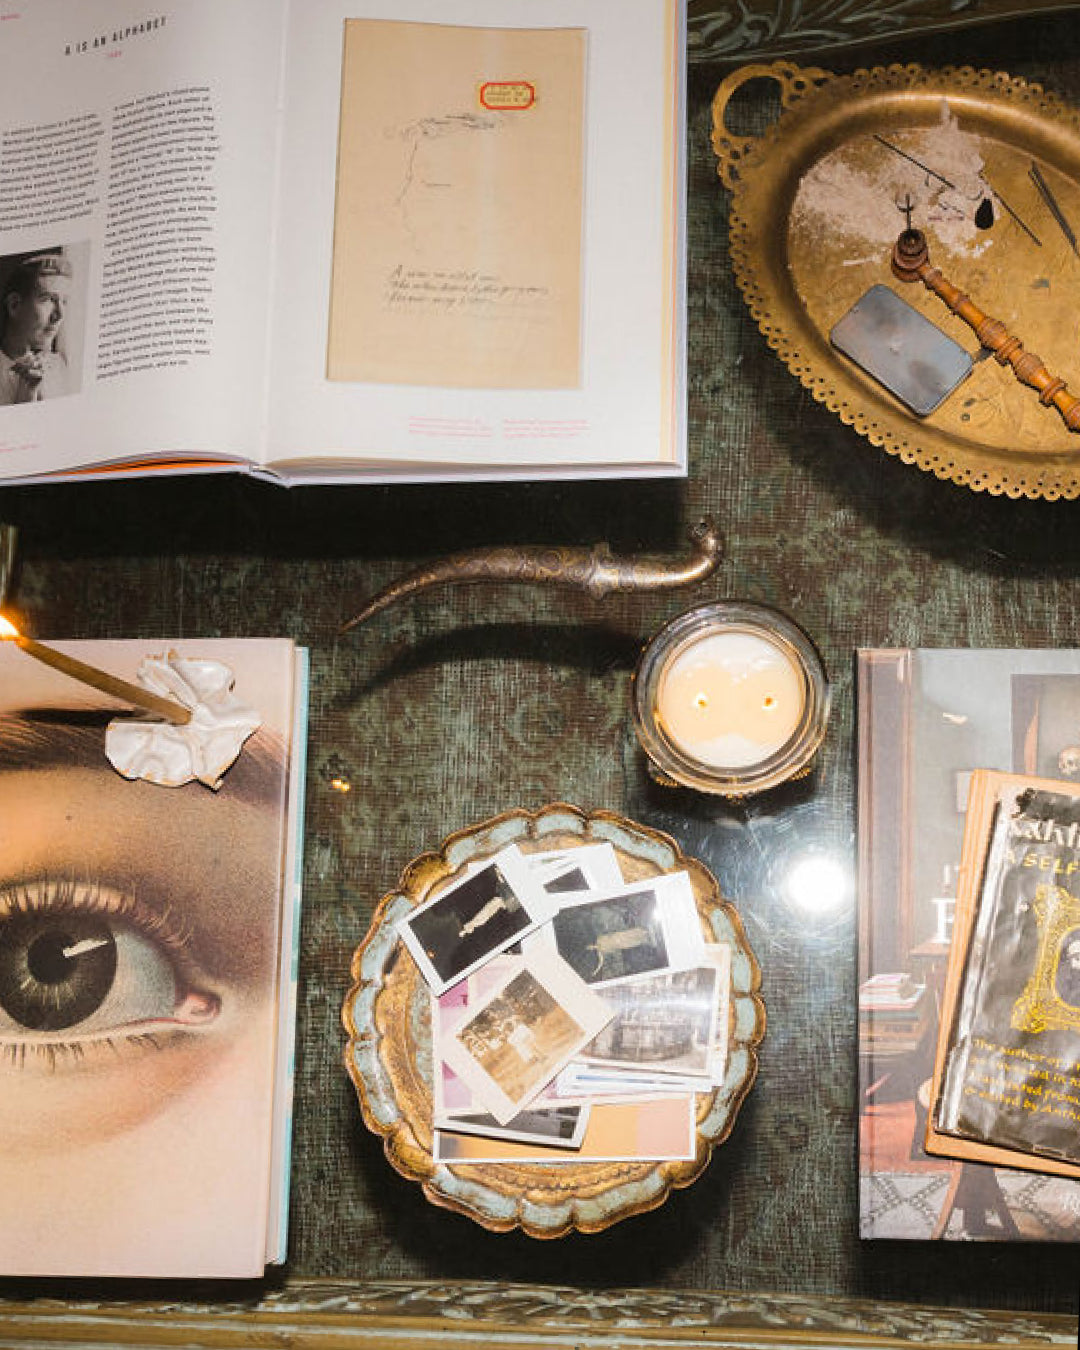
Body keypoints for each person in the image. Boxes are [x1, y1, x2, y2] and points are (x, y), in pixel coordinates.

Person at [0, 250, 73, 405]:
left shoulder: (61, 369)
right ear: (14, 305)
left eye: (64, 302)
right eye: (48, 300)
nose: (59, 315)